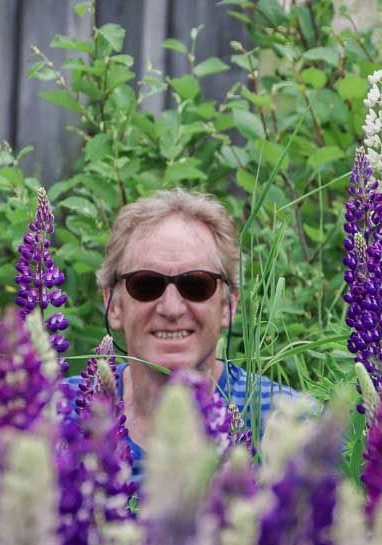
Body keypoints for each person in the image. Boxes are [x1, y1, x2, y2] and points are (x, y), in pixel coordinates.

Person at [89, 188, 299, 479]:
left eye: (197, 285)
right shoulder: (61, 416)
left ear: (228, 306)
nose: (172, 308)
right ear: (113, 306)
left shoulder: (287, 421)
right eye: (146, 284)